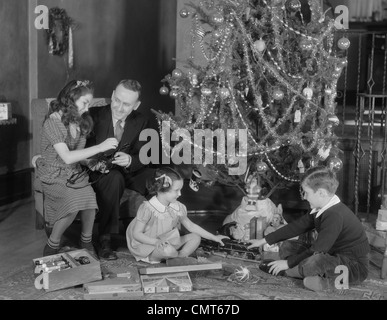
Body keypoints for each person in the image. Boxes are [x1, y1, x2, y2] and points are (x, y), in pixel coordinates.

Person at [247, 166, 370, 292]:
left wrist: (287, 264)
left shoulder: (334, 215)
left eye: (307, 192)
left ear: (321, 193)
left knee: (315, 261)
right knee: (287, 246)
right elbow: (296, 227)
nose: (304, 197)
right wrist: (264, 240)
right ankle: (305, 272)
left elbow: (318, 250)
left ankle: (295, 273)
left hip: (353, 267)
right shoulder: (320, 208)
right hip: (331, 254)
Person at [36, 80, 118, 257]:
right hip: (53, 173)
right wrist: (100, 147)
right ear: (70, 100)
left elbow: (77, 156)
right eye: (84, 103)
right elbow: (66, 157)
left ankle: (86, 241)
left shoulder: (79, 122)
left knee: (89, 200)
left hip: (73, 172)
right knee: (74, 202)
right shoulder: (53, 123)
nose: (87, 108)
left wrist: (91, 162)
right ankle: (52, 244)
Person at [85, 79, 154, 260]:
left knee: (158, 180)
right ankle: (105, 238)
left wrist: (131, 159)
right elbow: (81, 148)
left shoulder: (142, 121)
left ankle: (154, 235)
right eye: (117, 101)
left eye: (127, 104)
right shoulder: (93, 115)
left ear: (136, 105)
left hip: (127, 170)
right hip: (97, 170)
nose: (119, 107)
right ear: (113, 95)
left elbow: (145, 156)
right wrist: (94, 162)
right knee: (114, 179)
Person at [126, 167, 228, 264]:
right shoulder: (148, 208)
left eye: (180, 190)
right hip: (149, 245)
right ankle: (173, 256)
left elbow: (191, 226)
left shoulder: (177, 207)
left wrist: (213, 237)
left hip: (167, 241)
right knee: (167, 251)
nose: (180, 194)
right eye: (176, 190)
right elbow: (137, 234)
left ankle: (179, 257)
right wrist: (156, 242)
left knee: (195, 237)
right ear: (162, 190)